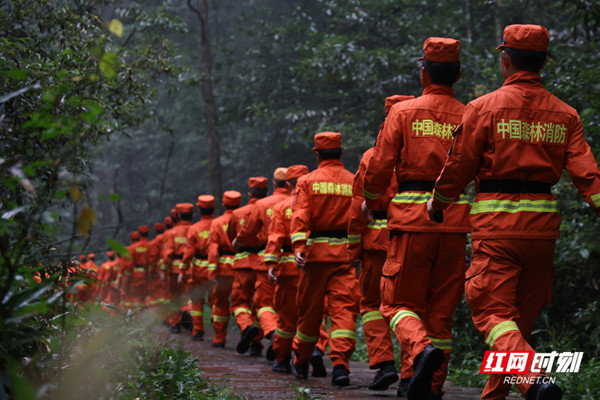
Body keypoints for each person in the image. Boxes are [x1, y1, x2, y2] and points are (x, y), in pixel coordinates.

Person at [427, 24, 600, 400]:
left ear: (505, 59)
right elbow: (588, 174)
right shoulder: (565, 114)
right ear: (543, 63)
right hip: (542, 234)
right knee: (513, 327)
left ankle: (535, 381)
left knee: (491, 315)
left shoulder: (483, 108)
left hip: (497, 229)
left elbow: (459, 165)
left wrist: (438, 203)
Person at [363, 37, 470, 400]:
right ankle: (424, 385)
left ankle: (420, 349)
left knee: (396, 304)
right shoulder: (471, 113)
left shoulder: (403, 113)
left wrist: (373, 201)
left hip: (411, 222)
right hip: (455, 223)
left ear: (423, 72)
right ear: (457, 74)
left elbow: (378, 168)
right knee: (440, 310)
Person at [347, 94, 414, 392]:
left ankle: (385, 364)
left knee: (373, 304)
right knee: (413, 305)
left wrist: (353, 251)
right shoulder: (427, 154)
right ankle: (412, 373)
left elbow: (357, 210)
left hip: (377, 242)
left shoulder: (371, 157)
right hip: (416, 236)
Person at [290, 131, 360, 386]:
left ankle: (301, 361)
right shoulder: (354, 181)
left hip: (315, 258)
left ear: (317, 154)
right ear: (340, 153)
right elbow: (360, 217)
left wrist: (298, 246)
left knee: (309, 314)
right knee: (344, 313)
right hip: (345, 257)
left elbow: (300, 215)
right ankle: (340, 364)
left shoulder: (307, 181)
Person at [264, 165, 329, 376]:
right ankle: (317, 349)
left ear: (289, 184)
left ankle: (282, 359)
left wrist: (271, 265)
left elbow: (275, 239)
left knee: (286, 318)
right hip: (313, 265)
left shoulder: (282, 208)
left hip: (289, 269)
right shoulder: (317, 203)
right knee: (313, 313)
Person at [236, 167, 291, 359]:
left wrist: (238, 242)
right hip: (298, 261)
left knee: (262, 304)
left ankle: (272, 335)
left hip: (266, 260)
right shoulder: (298, 201)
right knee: (286, 305)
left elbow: (247, 233)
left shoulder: (262, 205)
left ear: (275, 184)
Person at [228, 177, 268, 355]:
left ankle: (246, 327)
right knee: (259, 304)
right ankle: (256, 342)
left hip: (243, 263)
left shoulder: (237, 214)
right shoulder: (271, 208)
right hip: (263, 261)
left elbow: (232, 238)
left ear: (249, 193)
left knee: (240, 302)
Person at [207, 190, 242, 348]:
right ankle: (252, 338)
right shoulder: (244, 218)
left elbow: (213, 250)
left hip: (222, 270)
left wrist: (212, 272)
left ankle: (219, 338)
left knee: (220, 303)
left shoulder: (217, 222)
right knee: (243, 302)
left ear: (223, 204)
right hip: (241, 266)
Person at [182, 195, 216, 341]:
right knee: (217, 300)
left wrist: (183, 268)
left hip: (199, 271)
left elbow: (189, 251)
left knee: (196, 301)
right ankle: (218, 332)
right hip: (216, 269)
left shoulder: (194, 228)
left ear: (199, 211)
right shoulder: (218, 224)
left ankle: (197, 331)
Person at [162, 203, 195, 333]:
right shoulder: (194, 229)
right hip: (191, 267)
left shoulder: (172, 233)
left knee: (174, 296)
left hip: (175, 269)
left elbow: (168, 253)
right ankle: (188, 312)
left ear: (179, 215)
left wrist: (164, 269)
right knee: (189, 294)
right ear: (192, 215)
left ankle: (175, 323)